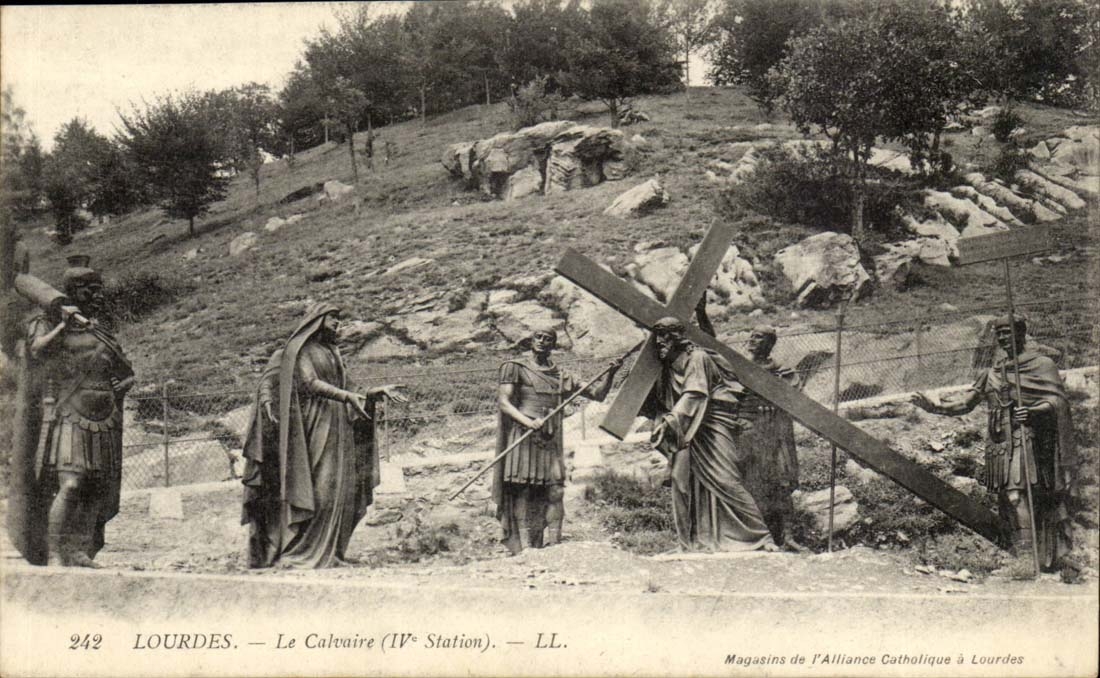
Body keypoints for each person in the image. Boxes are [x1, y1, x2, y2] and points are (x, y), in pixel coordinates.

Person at [241, 303, 406, 568]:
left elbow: (350, 388)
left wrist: (372, 393)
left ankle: (332, 553)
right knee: (321, 486)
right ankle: (301, 552)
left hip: (340, 424)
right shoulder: (301, 350)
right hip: (315, 424)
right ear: (317, 320)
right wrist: (346, 396)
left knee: (342, 486)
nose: (337, 323)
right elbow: (310, 383)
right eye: (332, 318)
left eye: (339, 319)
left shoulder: (332, 352)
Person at [911, 315, 1077, 576]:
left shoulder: (1042, 365)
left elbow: (1058, 402)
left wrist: (1033, 411)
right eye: (999, 333)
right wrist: (935, 408)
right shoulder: (991, 373)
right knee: (1008, 501)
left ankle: (1026, 560)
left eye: (1008, 332)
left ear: (1021, 333)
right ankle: (1025, 554)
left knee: (1016, 495)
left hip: (1026, 438)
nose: (1003, 338)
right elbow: (965, 403)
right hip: (998, 445)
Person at [8, 255, 133, 567]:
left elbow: (126, 372)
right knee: (72, 483)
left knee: (95, 488)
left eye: (98, 289)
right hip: (70, 414)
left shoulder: (100, 330)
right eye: (90, 289)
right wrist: (63, 324)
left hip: (104, 418)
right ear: (72, 291)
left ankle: (79, 550)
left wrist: (117, 390)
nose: (96, 295)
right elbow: (37, 350)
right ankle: (52, 551)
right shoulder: (46, 322)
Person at [641, 317, 775, 552]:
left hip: (711, 424)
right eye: (658, 338)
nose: (660, 343)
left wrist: (671, 420)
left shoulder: (697, 357)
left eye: (665, 338)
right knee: (681, 482)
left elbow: (695, 392)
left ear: (677, 338)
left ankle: (763, 537)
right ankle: (688, 543)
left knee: (725, 479)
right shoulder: (666, 368)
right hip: (686, 428)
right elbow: (658, 401)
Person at [493, 328, 621, 555]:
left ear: (553, 344)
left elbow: (598, 394)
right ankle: (526, 548)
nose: (542, 341)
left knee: (555, 492)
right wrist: (528, 421)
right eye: (539, 337)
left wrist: (611, 373)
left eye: (548, 339)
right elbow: (504, 402)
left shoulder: (561, 375)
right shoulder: (515, 367)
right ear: (531, 341)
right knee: (523, 491)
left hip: (550, 439)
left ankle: (555, 546)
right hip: (523, 436)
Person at [739, 326, 804, 551]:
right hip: (749, 433)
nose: (752, 340)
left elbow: (793, 398)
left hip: (775, 433)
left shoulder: (783, 372)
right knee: (751, 482)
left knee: (780, 481)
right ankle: (757, 536)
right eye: (751, 335)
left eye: (758, 337)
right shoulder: (739, 366)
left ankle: (788, 536)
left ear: (770, 343)